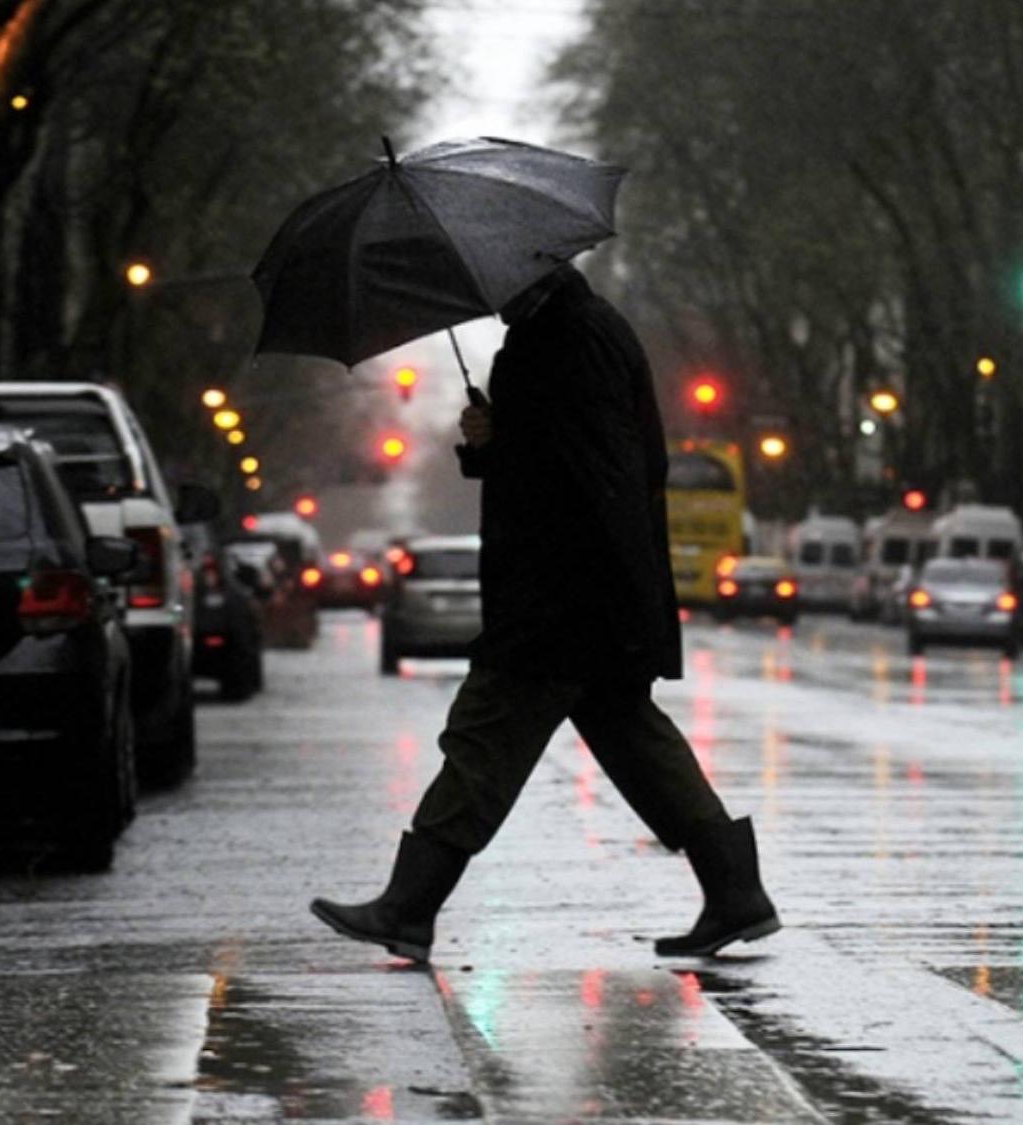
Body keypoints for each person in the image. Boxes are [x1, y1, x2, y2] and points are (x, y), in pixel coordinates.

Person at [310, 262, 778, 962]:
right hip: (591, 594)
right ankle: (736, 890)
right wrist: (491, 445)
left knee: (482, 738)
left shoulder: (568, 339)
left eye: (495, 280)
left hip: (561, 596)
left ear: (528, 273)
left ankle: (410, 905)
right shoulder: (570, 332)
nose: (488, 295)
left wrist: (506, 450)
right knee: (637, 744)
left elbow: (594, 474)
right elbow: (567, 458)